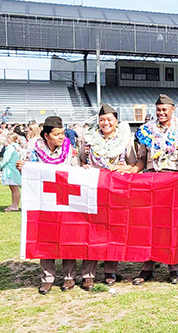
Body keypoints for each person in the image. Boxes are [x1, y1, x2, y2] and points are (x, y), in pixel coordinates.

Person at [16, 116, 85, 295]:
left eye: (63, 133)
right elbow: (29, 169)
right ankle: (47, 278)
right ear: (46, 135)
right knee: (46, 237)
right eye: (57, 134)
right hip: (44, 199)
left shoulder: (69, 149)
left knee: (68, 235)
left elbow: (75, 169)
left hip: (66, 199)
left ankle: (69, 277)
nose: (62, 137)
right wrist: (23, 166)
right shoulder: (33, 148)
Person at [132, 94, 178, 285]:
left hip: (172, 180)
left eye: (164, 109)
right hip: (151, 179)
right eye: (158, 109)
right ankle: (147, 267)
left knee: (172, 226)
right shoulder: (145, 132)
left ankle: (174, 267)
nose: (161, 113)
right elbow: (141, 160)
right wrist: (131, 172)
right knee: (147, 225)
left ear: (172, 109)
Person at [80, 103, 143, 287]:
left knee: (113, 230)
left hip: (116, 192)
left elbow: (133, 164)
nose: (105, 123)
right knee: (90, 229)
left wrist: (125, 168)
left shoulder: (125, 139)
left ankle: (110, 271)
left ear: (116, 121)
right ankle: (88, 273)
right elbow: (81, 160)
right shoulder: (89, 138)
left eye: (109, 119)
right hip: (93, 190)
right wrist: (84, 166)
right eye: (102, 120)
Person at [1, 133, 21, 212]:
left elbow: (6, 159)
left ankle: (15, 205)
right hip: (13, 169)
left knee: (14, 188)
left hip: (11, 170)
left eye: (8, 138)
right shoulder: (15, 147)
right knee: (13, 188)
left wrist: (1, 166)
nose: (7, 139)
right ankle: (14, 204)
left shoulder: (10, 148)